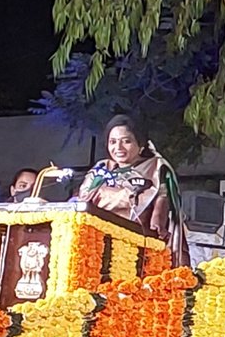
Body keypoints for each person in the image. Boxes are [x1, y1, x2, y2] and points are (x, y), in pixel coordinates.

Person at [76, 114, 187, 267]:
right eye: (113, 142)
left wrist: (157, 224)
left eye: (126, 141)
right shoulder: (101, 169)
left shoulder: (155, 168)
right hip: (95, 241)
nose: (118, 148)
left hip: (136, 247)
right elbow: (82, 202)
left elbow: (161, 205)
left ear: (140, 144)